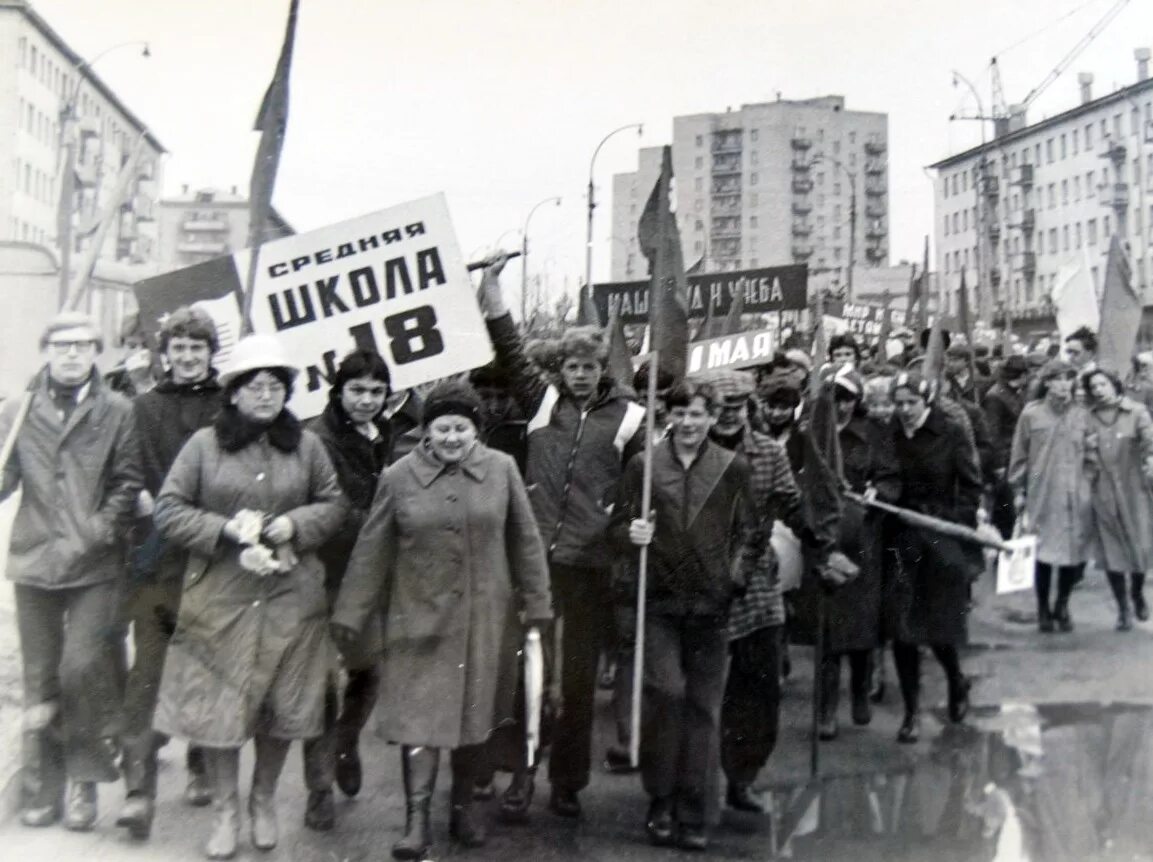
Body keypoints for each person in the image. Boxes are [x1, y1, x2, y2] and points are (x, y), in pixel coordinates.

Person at [331, 381, 553, 859]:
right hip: (416, 620)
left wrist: (538, 603)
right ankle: (416, 822)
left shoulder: (502, 470)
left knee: (475, 719)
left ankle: (462, 809)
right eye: (442, 428)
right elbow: (372, 549)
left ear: (477, 429)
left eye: (462, 427)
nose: (452, 437)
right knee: (419, 724)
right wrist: (351, 613)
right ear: (426, 430)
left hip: (484, 620)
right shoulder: (397, 476)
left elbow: (526, 540)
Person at [152, 334, 346, 859]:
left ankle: (262, 799)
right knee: (219, 709)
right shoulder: (203, 445)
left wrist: (291, 524)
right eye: (254, 385)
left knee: (282, 707)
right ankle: (224, 812)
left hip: (290, 600)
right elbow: (168, 510)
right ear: (233, 392)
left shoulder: (306, 446)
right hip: (221, 599)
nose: (265, 394)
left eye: (275, 385)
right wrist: (227, 531)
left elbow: (333, 504)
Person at [477, 257, 644, 818]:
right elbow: (508, 346)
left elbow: (647, 484)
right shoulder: (541, 400)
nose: (580, 374)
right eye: (571, 365)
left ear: (604, 368)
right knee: (525, 676)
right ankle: (520, 775)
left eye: (589, 365)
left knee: (575, 684)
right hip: (535, 562)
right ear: (560, 368)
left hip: (590, 565)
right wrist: (493, 288)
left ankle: (567, 781)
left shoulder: (630, 417)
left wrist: (625, 525)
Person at [0, 312, 142, 830]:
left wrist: (98, 531)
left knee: (80, 669)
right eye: (62, 346)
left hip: (94, 565)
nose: (72, 354)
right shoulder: (20, 409)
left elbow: (129, 484)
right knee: (39, 678)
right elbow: (6, 480)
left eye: (82, 345)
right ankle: (43, 790)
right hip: (35, 559)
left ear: (95, 353)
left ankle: (85, 782)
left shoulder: (118, 411)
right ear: (46, 351)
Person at [610, 380, 757, 851]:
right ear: (667, 414)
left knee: (703, 708)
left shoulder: (734, 468)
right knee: (666, 694)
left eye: (698, 414)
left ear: (713, 417)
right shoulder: (643, 466)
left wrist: (733, 581)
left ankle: (693, 809)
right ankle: (660, 799)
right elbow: (617, 526)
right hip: (659, 602)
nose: (689, 423)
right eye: (681, 413)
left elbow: (750, 537)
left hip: (712, 606)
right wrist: (629, 534)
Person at [701, 370, 827, 813]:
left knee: (758, 689)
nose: (730, 414)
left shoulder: (769, 452)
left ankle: (742, 776)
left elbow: (791, 504)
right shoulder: (688, 449)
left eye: (738, 405)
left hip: (756, 584)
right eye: (721, 406)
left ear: (749, 407)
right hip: (699, 583)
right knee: (699, 692)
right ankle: (692, 781)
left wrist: (820, 546)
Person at [116, 307, 221, 839]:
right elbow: (130, 468)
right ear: (165, 353)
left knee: (205, 665)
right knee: (147, 673)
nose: (186, 357)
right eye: (178, 348)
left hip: (212, 560)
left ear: (210, 353)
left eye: (196, 348)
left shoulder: (229, 407)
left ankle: (201, 760)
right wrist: (145, 498)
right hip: (157, 559)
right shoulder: (143, 407)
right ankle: (138, 791)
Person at [301, 349, 392, 831]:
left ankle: (346, 741)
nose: (367, 400)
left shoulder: (385, 435)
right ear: (338, 392)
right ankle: (318, 791)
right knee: (320, 687)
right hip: (323, 572)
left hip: (368, 576)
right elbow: (328, 505)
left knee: (369, 673)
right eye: (357, 390)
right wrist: (381, 527)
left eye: (376, 391)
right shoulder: (317, 439)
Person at [885, 370, 982, 744]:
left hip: (942, 541)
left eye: (912, 403)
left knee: (940, 628)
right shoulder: (889, 434)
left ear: (927, 402)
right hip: (900, 538)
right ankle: (910, 713)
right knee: (902, 630)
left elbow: (972, 487)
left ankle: (956, 680)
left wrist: (954, 521)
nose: (905, 410)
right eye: (899, 403)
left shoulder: (951, 433)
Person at [797, 367, 893, 741]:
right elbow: (794, 475)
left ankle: (859, 693)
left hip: (861, 539)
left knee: (861, 624)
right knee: (826, 628)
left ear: (857, 401)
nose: (840, 407)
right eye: (833, 399)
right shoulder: (810, 436)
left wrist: (878, 493)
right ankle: (825, 710)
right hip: (822, 539)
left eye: (847, 399)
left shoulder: (872, 436)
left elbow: (890, 476)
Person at [1008, 360, 1094, 633]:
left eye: (1068, 378)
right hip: (1041, 494)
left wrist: (1088, 485)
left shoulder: (1082, 415)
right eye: (1057, 378)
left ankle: (1063, 604)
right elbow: (1019, 456)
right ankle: (1043, 607)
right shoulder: (1031, 415)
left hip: (1075, 494)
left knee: (1072, 552)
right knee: (1042, 553)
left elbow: (1092, 456)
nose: (1063, 384)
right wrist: (1018, 490)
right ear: (1046, 382)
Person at [1081, 368, 1153, 631]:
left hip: (1135, 489)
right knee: (1112, 551)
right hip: (1103, 490)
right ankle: (1123, 608)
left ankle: (1136, 593)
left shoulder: (1136, 412)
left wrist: (1150, 461)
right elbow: (1084, 454)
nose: (1098, 389)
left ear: (1114, 385)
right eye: (1093, 386)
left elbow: (1150, 443)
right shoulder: (1087, 418)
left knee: (1141, 546)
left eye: (1103, 384)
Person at [983, 355, 1030, 539]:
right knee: (1006, 512)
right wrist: (999, 465)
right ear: (1023, 374)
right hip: (1005, 461)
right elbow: (992, 434)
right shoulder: (996, 396)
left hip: (1016, 457)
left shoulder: (1014, 392)